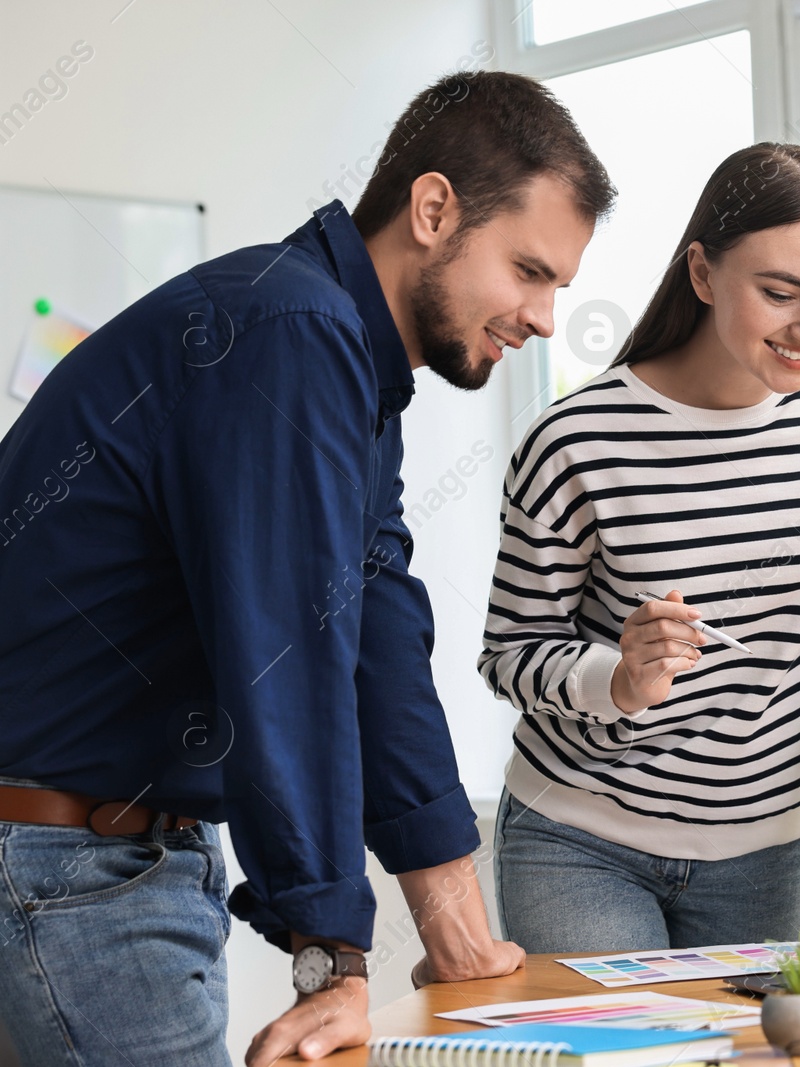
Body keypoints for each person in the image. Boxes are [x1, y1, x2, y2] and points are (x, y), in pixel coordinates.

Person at [0, 70, 612, 1065]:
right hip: (68, 864)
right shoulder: (286, 334)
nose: (544, 316)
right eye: (529, 270)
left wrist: (456, 930)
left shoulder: (346, 362)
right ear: (432, 208)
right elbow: (287, 652)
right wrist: (332, 956)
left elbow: (376, 642)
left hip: (116, 855)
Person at [479, 143, 800, 953]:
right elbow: (509, 653)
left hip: (765, 854)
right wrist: (615, 679)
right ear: (702, 273)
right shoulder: (578, 441)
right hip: (580, 839)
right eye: (779, 293)